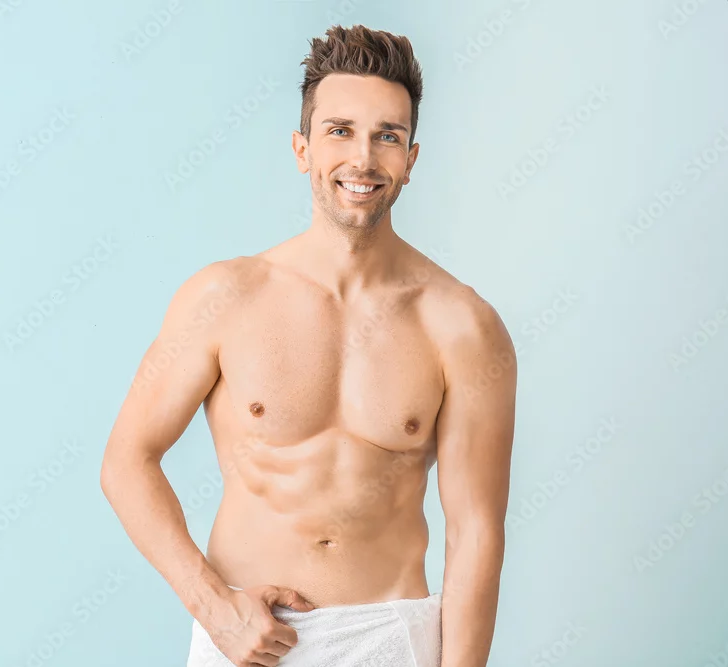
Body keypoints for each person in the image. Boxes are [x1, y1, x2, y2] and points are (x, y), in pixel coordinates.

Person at [100, 24, 517, 667]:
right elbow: (127, 461)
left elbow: (476, 532)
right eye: (339, 130)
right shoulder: (224, 297)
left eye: (387, 136)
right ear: (302, 147)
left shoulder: (463, 325)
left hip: (390, 638)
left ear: (411, 159)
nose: (363, 158)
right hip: (245, 637)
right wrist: (214, 607)